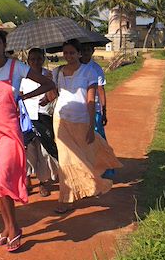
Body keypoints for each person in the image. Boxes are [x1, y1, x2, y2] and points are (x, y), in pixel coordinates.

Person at [0, 29, 55, 252]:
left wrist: (23, 97)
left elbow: (48, 84)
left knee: (3, 179)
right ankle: (8, 227)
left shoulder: (17, 67)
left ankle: (14, 228)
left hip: (9, 133)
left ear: (4, 44)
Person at [51, 39, 122, 214]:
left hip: (81, 120)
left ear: (79, 53)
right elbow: (53, 94)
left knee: (86, 154)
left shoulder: (89, 71)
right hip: (60, 120)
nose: (68, 56)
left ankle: (89, 182)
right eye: (66, 53)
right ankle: (66, 199)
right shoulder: (57, 71)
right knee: (66, 159)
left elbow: (90, 100)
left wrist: (91, 126)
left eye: (72, 53)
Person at [20, 48, 59, 198]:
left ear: (43, 59)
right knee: (27, 150)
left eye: (38, 58)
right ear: (28, 61)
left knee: (44, 152)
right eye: (32, 59)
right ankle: (27, 179)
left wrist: (48, 96)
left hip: (43, 117)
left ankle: (43, 183)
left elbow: (53, 95)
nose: (35, 62)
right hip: (27, 119)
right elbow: (20, 96)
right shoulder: (23, 77)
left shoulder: (48, 75)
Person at [80, 43, 115, 179]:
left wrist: (103, 110)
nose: (85, 52)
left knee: (97, 139)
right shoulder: (77, 67)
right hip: (80, 109)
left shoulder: (96, 68)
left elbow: (100, 90)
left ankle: (104, 169)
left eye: (88, 49)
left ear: (92, 51)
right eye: (83, 49)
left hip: (94, 109)